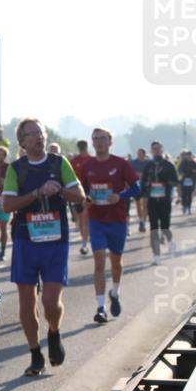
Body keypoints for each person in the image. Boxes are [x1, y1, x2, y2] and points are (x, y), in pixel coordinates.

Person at [0, 118, 85, 376]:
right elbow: (7, 205)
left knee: (50, 300)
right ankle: (35, 353)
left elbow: (79, 195)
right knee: (27, 300)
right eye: (32, 134)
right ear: (22, 142)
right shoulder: (17, 169)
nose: (38, 137)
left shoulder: (59, 163)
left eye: (41, 132)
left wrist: (57, 191)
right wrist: (37, 193)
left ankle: (54, 331)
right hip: (26, 240)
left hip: (55, 241)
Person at [80, 128, 140, 323]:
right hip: (97, 221)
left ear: (110, 142)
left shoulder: (120, 164)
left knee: (116, 261)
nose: (99, 142)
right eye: (95, 139)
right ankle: (100, 307)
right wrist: (85, 200)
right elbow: (81, 192)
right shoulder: (87, 166)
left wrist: (119, 196)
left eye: (103, 139)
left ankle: (115, 292)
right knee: (99, 262)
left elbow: (137, 189)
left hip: (117, 220)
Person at [141, 140, 179, 265]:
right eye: (154, 149)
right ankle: (156, 256)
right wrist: (145, 189)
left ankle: (171, 241)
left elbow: (175, 181)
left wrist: (166, 183)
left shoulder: (169, 165)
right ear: (151, 151)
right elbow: (142, 182)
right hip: (152, 200)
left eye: (159, 148)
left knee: (164, 226)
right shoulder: (148, 166)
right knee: (153, 227)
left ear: (162, 150)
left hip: (165, 200)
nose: (157, 151)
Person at [70, 139, 93, 256]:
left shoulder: (92, 160)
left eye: (83, 147)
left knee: (85, 218)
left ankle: (84, 244)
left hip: (89, 192)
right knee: (79, 220)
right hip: (77, 192)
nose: (82, 149)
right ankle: (85, 238)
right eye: (80, 147)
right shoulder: (74, 161)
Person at [131, 148, 149, 232]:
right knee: (138, 205)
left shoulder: (148, 162)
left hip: (146, 186)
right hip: (136, 186)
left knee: (145, 204)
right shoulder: (133, 163)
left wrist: (144, 175)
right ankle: (141, 220)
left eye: (140, 153)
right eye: (138, 153)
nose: (139, 155)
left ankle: (143, 222)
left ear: (144, 154)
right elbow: (130, 173)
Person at [177, 149, 196, 216]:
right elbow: (179, 169)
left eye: (190, 155)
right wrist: (181, 173)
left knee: (189, 195)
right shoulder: (183, 162)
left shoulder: (194, 163)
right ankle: (184, 205)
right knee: (184, 194)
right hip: (184, 180)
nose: (189, 157)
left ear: (191, 156)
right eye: (187, 155)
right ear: (186, 156)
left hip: (191, 181)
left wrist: (195, 172)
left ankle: (189, 207)